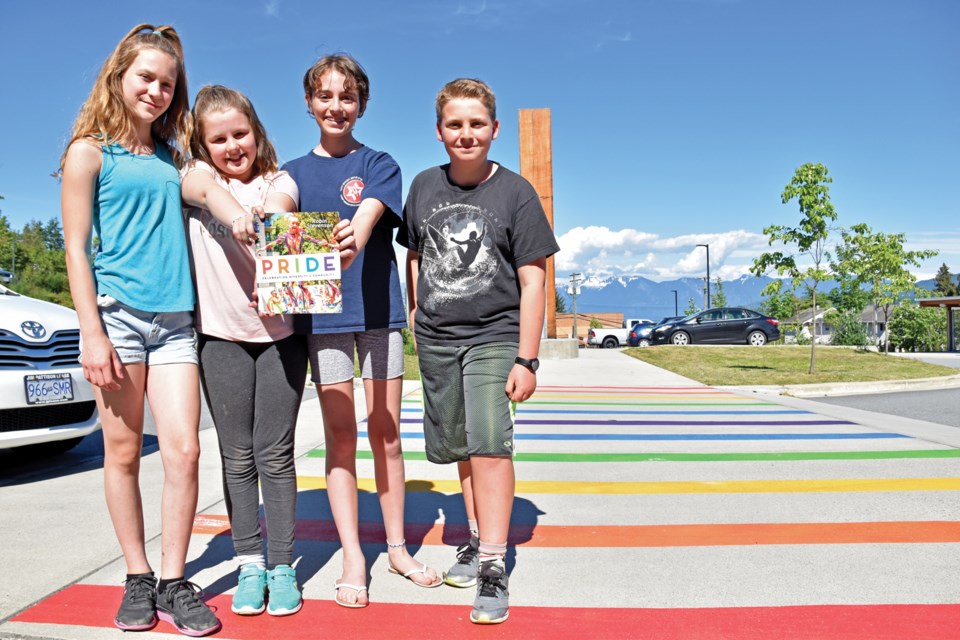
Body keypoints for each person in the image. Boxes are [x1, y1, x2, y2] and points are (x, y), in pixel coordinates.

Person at [60, 24, 220, 636]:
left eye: (167, 83)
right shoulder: (88, 151)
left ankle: (175, 580)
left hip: (177, 324)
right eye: (145, 78)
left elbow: (209, 192)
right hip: (119, 320)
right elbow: (77, 250)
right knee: (123, 453)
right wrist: (91, 332)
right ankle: (137, 576)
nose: (156, 90)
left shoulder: (172, 160)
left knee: (183, 450)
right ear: (119, 77)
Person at [181, 84, 356, 617]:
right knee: (235, 457)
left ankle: (282, 565)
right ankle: (248, 562)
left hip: (281, 338)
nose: (233, 146)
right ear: (202, 144)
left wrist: (275, 233)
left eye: (241, 134)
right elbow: (205, 192)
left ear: (257, 133)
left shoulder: (279, 181)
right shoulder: (197, 177)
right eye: (219, 139)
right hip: (220, 337)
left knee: (275, 454)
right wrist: (234, 214)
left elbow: (281, 209)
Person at [398, 78, 560, 625]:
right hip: (439, 340)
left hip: (495, 336)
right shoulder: (423, 186)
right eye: (454, 124)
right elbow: (415, 253)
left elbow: (534, 280)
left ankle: (493, 564)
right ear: (440, 130)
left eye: (476, 124)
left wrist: (527, 357)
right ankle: (473, 539)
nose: (465, 134)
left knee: (490, 443)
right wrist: (416, 313)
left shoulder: (514, 193)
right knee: (461, 447)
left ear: (492, 130)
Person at [282, 53, 441, 608]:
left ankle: (397, 548)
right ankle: (354, 555)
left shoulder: (380, 163)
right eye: (325, 96)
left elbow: (373, 209)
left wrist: (359, 227)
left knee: (387, 433)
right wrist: (281, 221)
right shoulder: (293, 172)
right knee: (341, 439)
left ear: (362, 104)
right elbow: (281, 206)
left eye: (346, 97)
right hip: (323, 323)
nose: (336, 106)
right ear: (308, 103)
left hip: (379, 319)